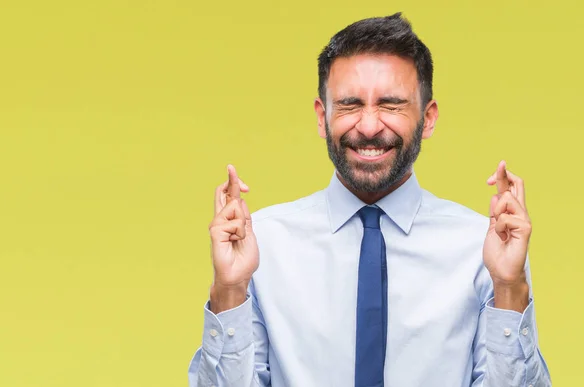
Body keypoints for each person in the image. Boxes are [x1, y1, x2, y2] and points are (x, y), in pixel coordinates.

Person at [188, 13, 551, 387]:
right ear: (321, 116)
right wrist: (229, 290)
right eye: (349, 104)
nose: (369, 125)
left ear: (427, 119)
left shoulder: (483, 249)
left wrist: (509, 287)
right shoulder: (262, 245)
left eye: (391, 104)